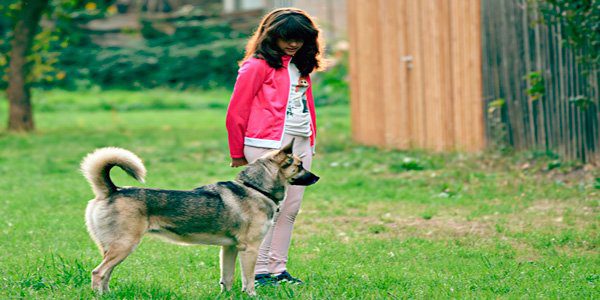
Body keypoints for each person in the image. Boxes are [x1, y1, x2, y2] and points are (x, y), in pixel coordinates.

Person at [225, 7, 324, 287]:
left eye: (300, 39)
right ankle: (258, 272)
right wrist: (237, 152)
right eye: (287, 38)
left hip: (300, 143)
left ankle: (277, 270)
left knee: (290, 209)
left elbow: (308, 107)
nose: (293, 44)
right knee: (267, 210)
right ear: (271, 36)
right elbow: (236, 111)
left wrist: (311, 142)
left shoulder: (300, 66)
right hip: (266, 146)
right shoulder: (256, 65)